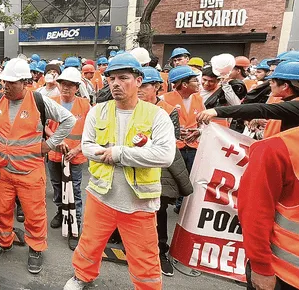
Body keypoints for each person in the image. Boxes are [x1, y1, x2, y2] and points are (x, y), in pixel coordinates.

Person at [64, 53, 175, 290]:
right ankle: (82, 276)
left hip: (139, 202)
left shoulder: (157, 115)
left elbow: (164, 156)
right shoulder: (98, 111)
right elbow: (87, 147)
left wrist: (117, 154)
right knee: (89, 244)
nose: (115, 83)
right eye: (111, 78)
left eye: (123, 77)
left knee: (144, 257)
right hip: (101, 195)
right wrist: (124, 155)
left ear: (138, 80)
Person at [0, 58, 76, 274]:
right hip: (3, 170)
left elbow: (69, 120)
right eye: (4, 82)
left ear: (25, 83)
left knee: (35, 214)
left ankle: (36, 248)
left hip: (30, 172)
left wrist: (49, 145)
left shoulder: (39, 101)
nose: (5, 87)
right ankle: (3, 241)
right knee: (2, 210)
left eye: (11, 84)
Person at [237, 82, 299, 290]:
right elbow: (255, 212)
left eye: (274, 81)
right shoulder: (277, 148)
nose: (270, 84)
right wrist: (261, 267)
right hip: (288, 275)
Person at [138, 67, 193, 276]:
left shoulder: (169, 110)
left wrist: (148, 144)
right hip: (132, 164)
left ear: (157, 87)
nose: (140, 89)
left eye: (145, 85)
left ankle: (160, 250)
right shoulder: (130, 106)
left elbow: (173, 142)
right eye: (138, 84)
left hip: (160, 167)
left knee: (158, 209)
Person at [196, 60, 299, 138]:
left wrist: (217, 111)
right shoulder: (294, 102)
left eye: (272, 81)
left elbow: (261, 109)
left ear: (285, 86)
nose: (269, 85)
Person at [46, 67, 90, 251]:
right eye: (63, 84)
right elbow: (45, 127)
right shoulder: (51, 102)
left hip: (75, 156)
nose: (66, 88)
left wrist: (78, 148)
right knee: (57, 186)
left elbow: (91, 133)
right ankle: (60, 211)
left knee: (75, 192)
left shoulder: (85, 106)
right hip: (55, 154)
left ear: (77, 87)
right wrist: (57, 141)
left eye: (70, 85)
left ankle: (75, 228)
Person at [162, 65, 204, 213]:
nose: (199, 84)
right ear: (184, 84)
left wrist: (199, 131)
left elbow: (205, 123)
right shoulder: (165, 99)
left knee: (191, 178)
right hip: (174, 147)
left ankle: (183, 206)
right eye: (195, 81)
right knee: (172, 179)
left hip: (193, 146)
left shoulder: (199, 99)